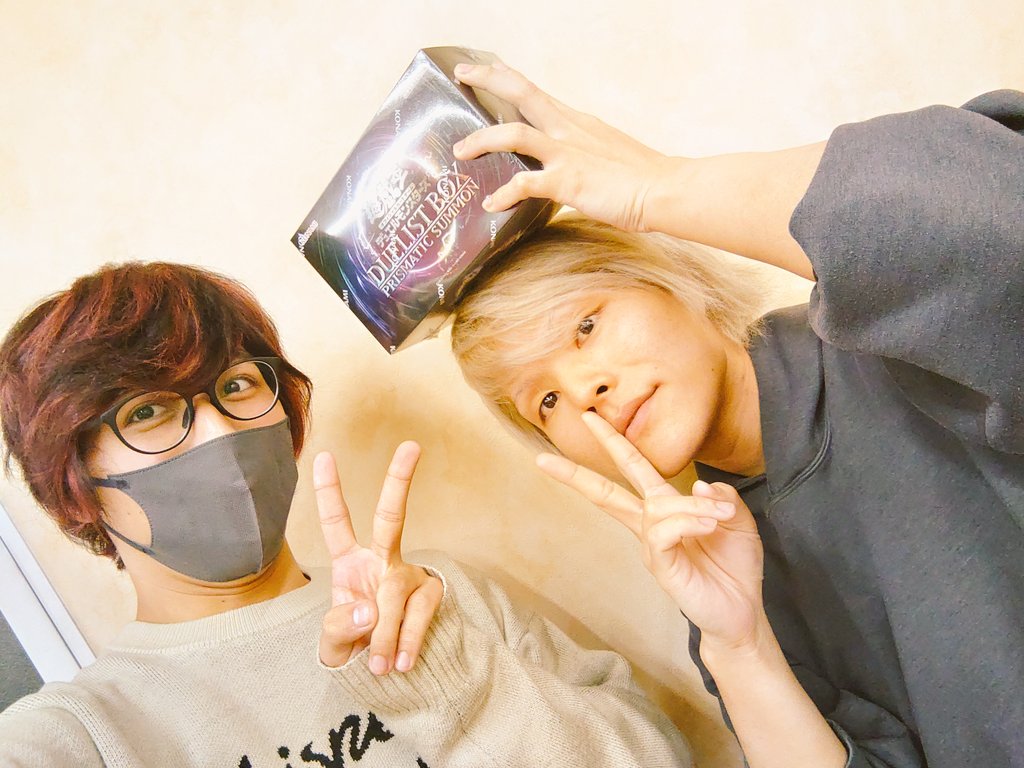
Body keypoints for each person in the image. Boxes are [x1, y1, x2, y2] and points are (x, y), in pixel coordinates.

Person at [448, 61, 1024, 768]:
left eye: (585, 327)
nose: (583, 389)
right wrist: (742, 650)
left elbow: (1002, 213)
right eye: (544, 401)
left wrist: (661, 186)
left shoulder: (891, 338)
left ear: (667, 280)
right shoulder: (722, 579)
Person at [0, 262, 692, 767]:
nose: (218, 432)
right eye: (147, 411)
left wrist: (452, 677)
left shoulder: (438, 595)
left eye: (236, 384)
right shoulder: (87, 734)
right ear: (74, 484)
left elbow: (656, 756)